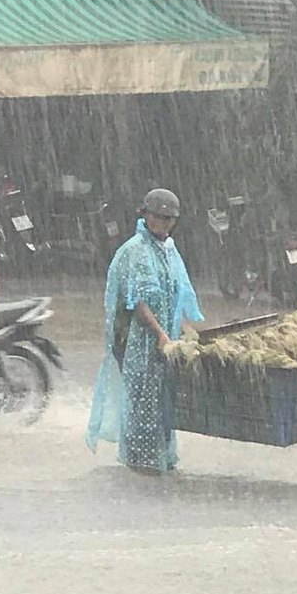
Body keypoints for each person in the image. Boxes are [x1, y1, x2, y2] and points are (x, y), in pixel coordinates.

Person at [86, 188, 204, 474]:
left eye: (168, 219)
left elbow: (177, 295)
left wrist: (184, 330)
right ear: (145, 215)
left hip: (167, 344)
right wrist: (160, 335)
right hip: (141, 344)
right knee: (142, 406)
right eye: (156, 217)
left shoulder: (169, 250)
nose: (161, 223)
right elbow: (137, 301)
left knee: (164, 406)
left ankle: (161, 463)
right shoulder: (135, 251)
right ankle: (141, 468)